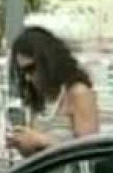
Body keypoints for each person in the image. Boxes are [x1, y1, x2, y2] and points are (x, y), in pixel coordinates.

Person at [7, 26, 100, 156]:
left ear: (47, 62)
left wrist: (42, 140)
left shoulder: (78, 93)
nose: (28, 78)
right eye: (23, 73)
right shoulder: (40, 97)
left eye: (31, 68)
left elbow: (89, 151)